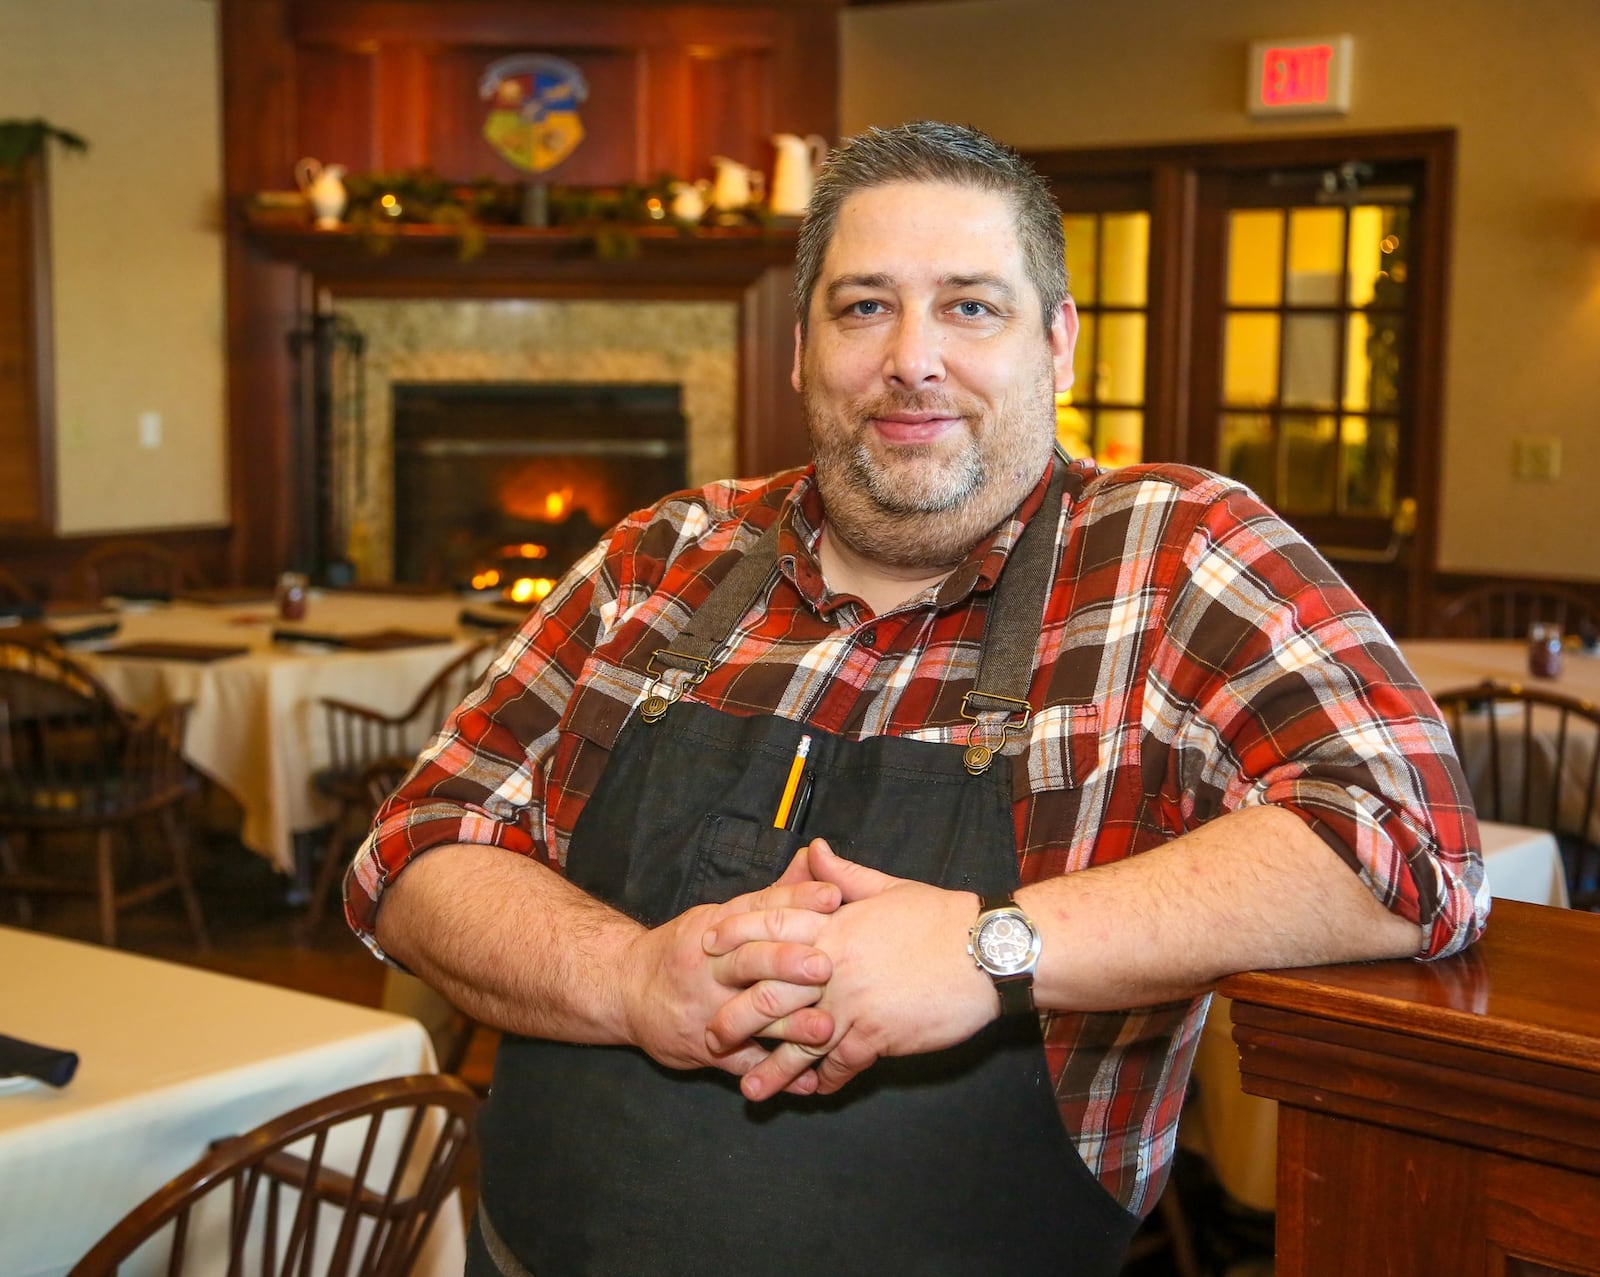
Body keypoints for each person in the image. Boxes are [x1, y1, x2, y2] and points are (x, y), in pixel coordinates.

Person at [347, 121, 1486, 1277]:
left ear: (1058, 342)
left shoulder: (1178, 552)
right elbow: (416, 847)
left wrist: (989, 946)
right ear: (799, 349)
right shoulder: (663, 553)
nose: (913, 357)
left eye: (971, 306)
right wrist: (628, 979)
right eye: (862, 307)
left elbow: (1405, 844)